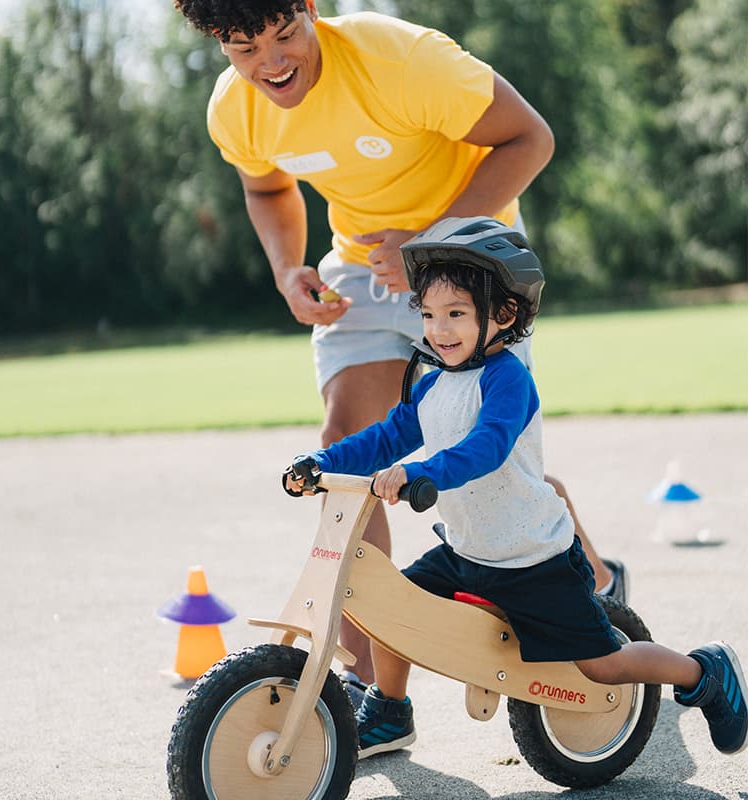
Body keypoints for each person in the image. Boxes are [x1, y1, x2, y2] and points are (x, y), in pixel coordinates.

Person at [174, 0, 628, 704]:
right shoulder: (236, 109)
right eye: (243, 48)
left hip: (471, 257)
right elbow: (265, 187)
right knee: (348, 454)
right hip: (363, 266)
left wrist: (430, 244)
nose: (271, 63)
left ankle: (595, 584)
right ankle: (371, 690)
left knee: (489, 462)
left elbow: (529, 140)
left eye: (285, 33)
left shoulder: (399, 61)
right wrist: (286, 266)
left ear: (310, 9)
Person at [284, 216, 748, 760]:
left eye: (456, 314)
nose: (439, 330)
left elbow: (488, 447)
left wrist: (421, 472)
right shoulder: (433, 383)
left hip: (533, 559)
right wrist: (322, 461)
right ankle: (390, 710)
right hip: (467, 552)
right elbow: (385, 438)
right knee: (392, 608)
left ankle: (702, 670)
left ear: (502, 315)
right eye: (430, 315)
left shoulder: (507, 379)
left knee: (603, 666)